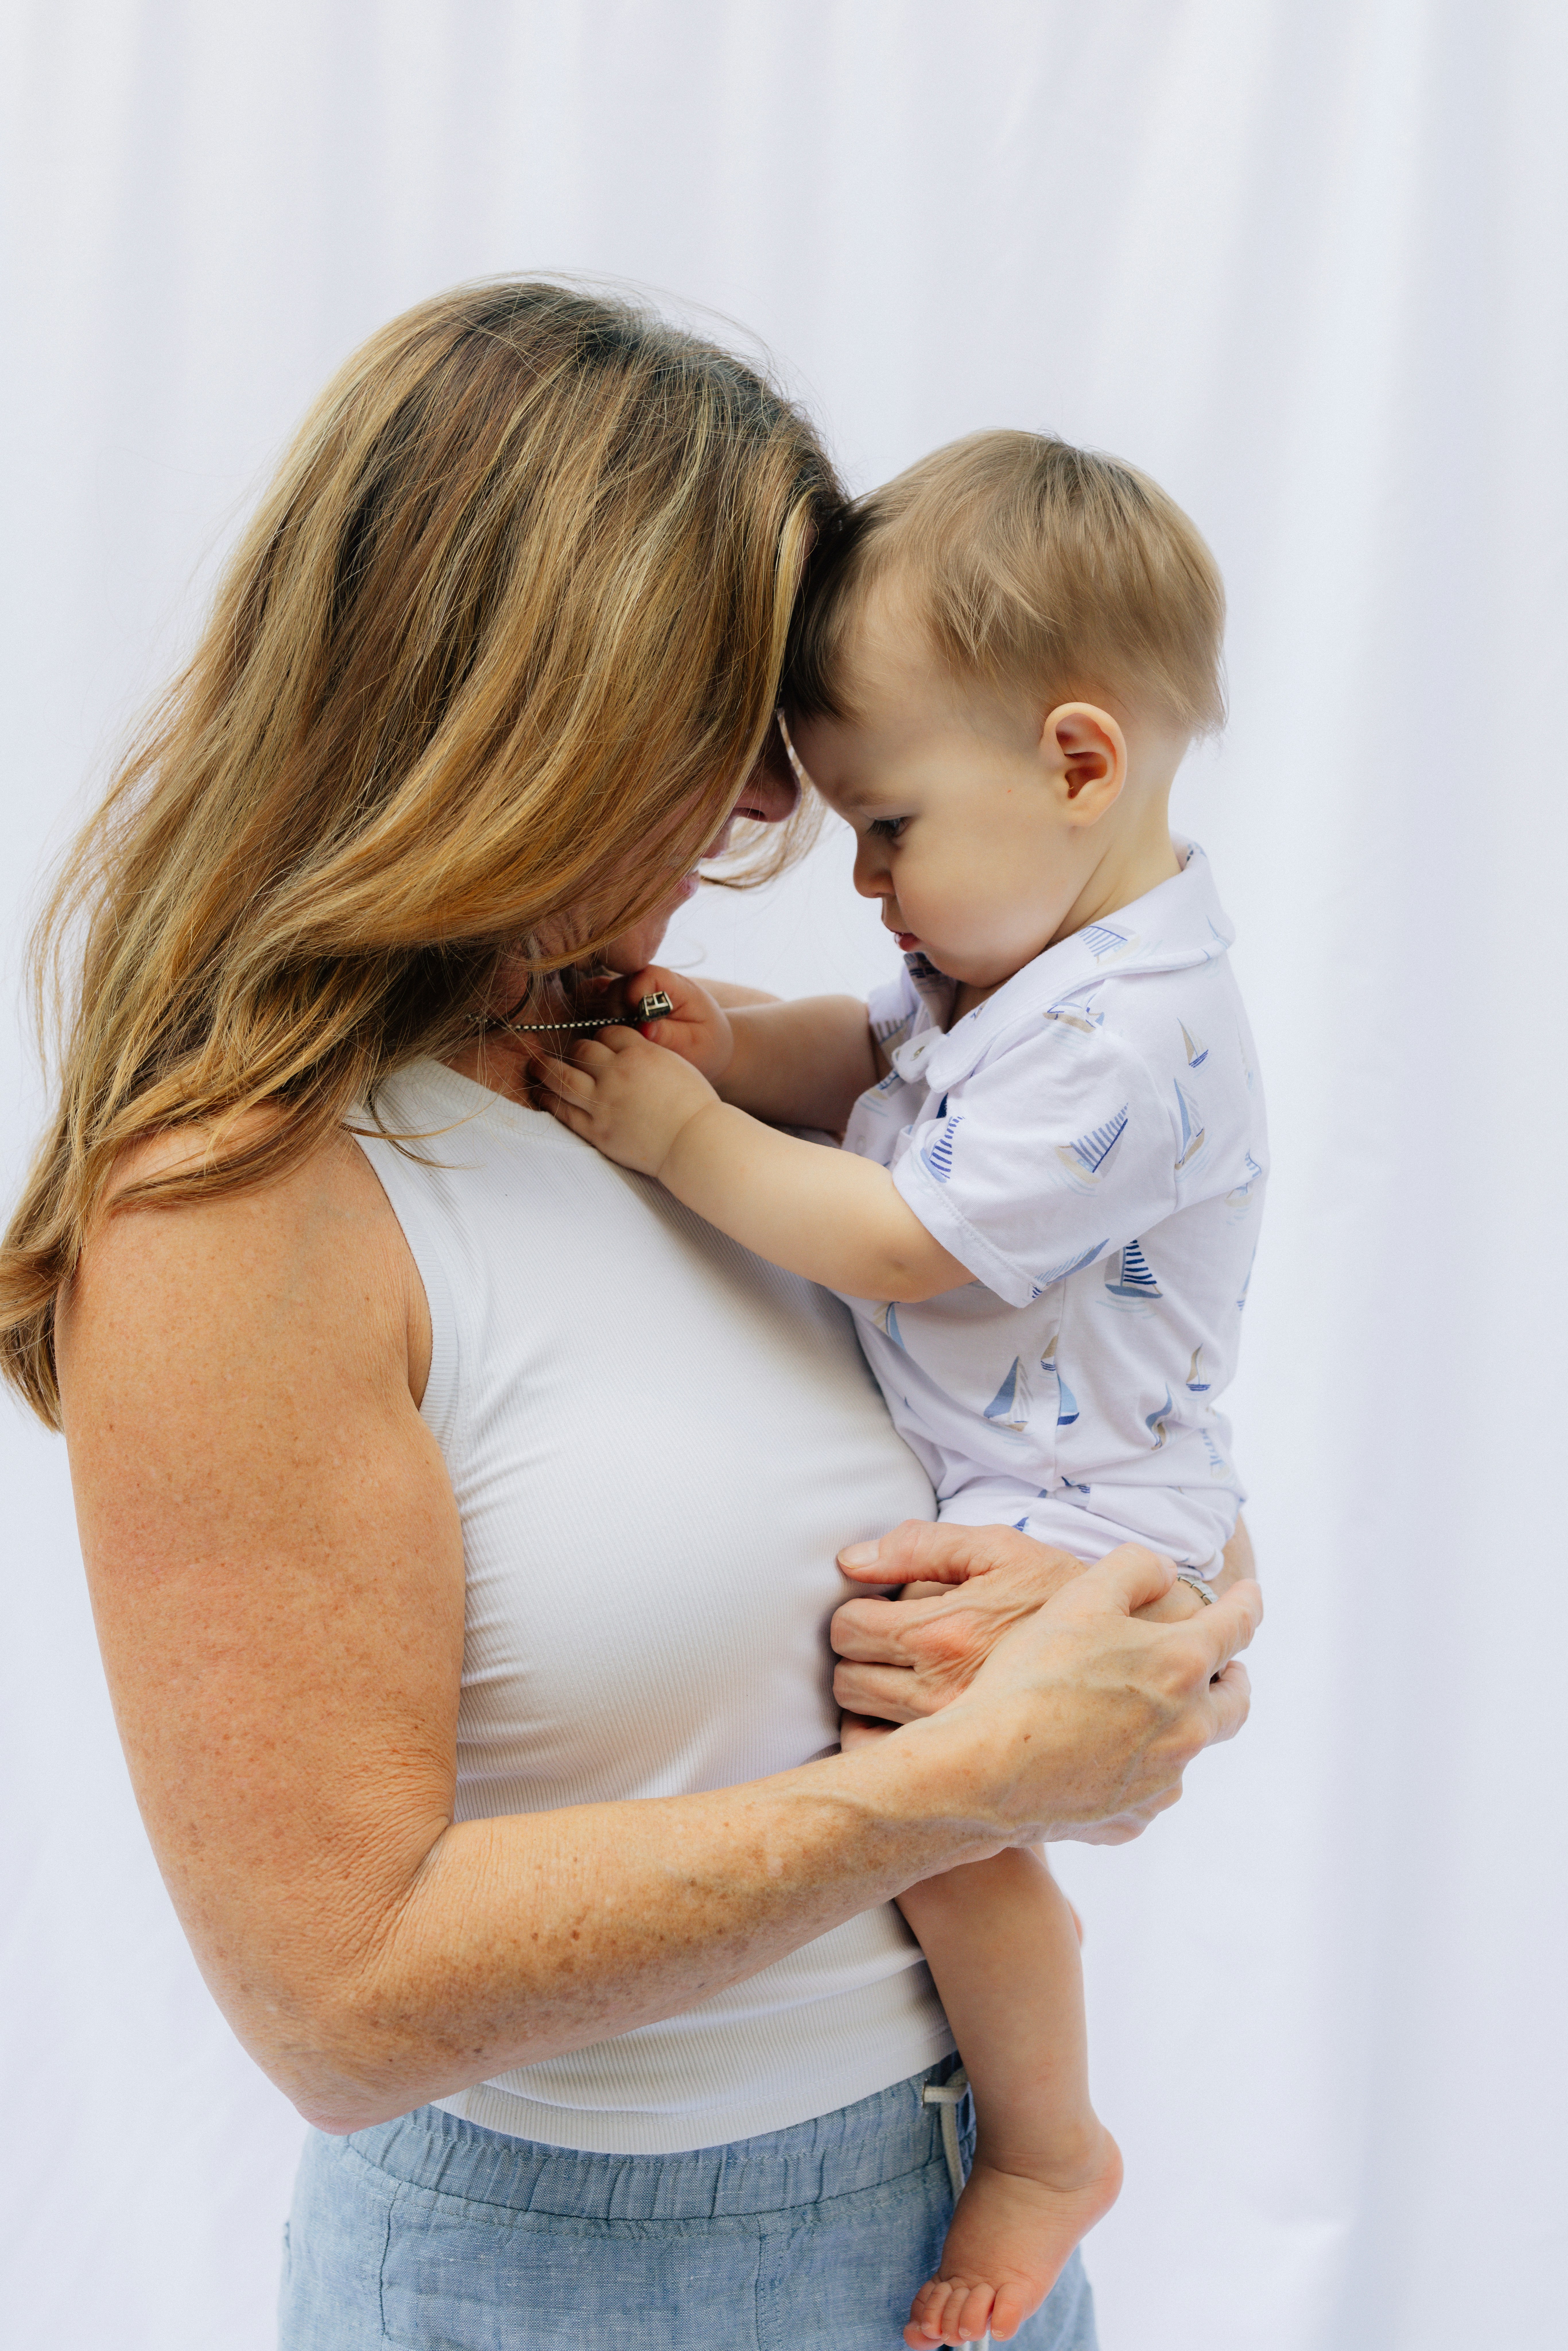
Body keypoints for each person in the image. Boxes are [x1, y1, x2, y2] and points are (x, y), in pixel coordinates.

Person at [0, 281, 1260, 2350]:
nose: (759, 833)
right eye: (731, 752)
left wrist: (1160, 1627)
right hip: (579, 2280)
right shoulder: (249, 1207)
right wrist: (965, 1784)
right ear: (527, 712)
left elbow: (1042, 1386)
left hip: (957, 2209)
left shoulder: (680, 1076)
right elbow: (341, 2002)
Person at [544, 431, 1265, 2346]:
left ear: (1077, 765)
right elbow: (840, 1056)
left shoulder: (1131, 1036)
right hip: (1025, 1464)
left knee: (942, 1818)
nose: (857, 879)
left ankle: (1044, 2142)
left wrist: (674, 1128)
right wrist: (720, 1041)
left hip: (1084, 1510)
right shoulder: (1002, 960)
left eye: (883, 827)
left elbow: (891, 1239)